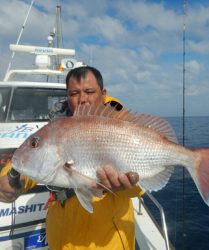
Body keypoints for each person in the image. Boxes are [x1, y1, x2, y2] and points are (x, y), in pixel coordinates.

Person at [0, 66, 143, 249]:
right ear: (68, 96)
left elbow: (141, 185)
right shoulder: (57, 128)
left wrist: (125, 186)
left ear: (103, 93)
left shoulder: (121, 126)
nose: (82, 99)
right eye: (74, 93)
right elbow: (38, 160)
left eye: (89, 91)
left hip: (108, 240)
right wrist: (11, 177)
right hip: (61, 235)